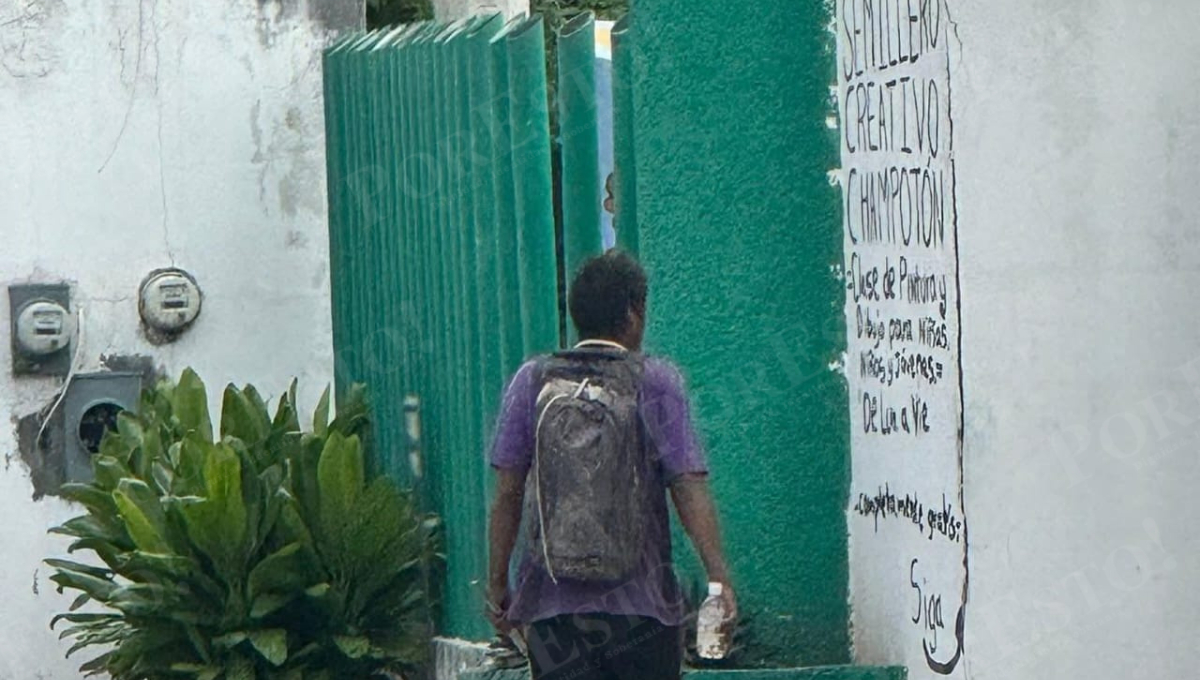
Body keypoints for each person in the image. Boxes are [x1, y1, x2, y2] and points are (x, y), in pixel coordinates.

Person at [486, 250, 736, 680]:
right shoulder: (656, 381)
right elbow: (688, 485)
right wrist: (718, 577)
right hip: (643, 612)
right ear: (634, 312)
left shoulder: (532, 380)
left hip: (553, 612)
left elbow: (507, 494)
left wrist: (497, 584)